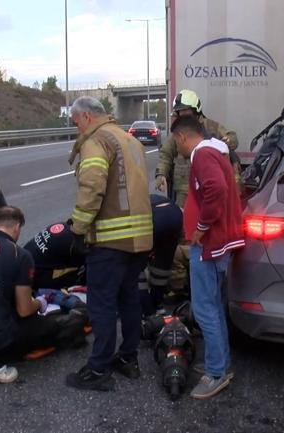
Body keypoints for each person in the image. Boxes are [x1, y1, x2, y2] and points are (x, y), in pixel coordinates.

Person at [63, 96, 153, 392]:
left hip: (110, 240)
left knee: (102, 303)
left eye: (76, 122)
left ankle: (98, 368)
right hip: (139, 238)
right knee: (129, 298)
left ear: (87, 117)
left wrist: (78, 228)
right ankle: (128, 358)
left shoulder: (96, 142)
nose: (76, 128)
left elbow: (92, 188)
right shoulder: (128, 140)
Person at [0, 206, 86, 384]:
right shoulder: (19, 255)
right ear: (17, 227)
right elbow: (25, 310)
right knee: (42, 326)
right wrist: (39, 302)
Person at [171, 115, 245, 400]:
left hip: (209, 245)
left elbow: (216, 190)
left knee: (205, 309)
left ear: (181, 137)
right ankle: (220, 363)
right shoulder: (215, 152)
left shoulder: (202, 155)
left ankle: (215, 373)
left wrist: (200, 228)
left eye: (175, 141)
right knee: (212, 306)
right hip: (217, 243)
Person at [23, 194, 183, 316]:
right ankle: (157, 301)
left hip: (150, 220)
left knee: (133, 270)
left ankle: (148, 312)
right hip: (172, 212)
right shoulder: (74, 230)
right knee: (163, 262)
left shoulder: (71, 237)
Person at [155, 89, 239, 207]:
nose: (183, 114)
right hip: (184, 189)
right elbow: (166, 154)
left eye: (185, 110)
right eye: (180, 111)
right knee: (184, 221)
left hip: (208, 185)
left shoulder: (211, 127)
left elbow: (232, 137)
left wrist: (228, 141)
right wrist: (161, 174)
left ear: (195, 109)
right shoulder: (178, 131)